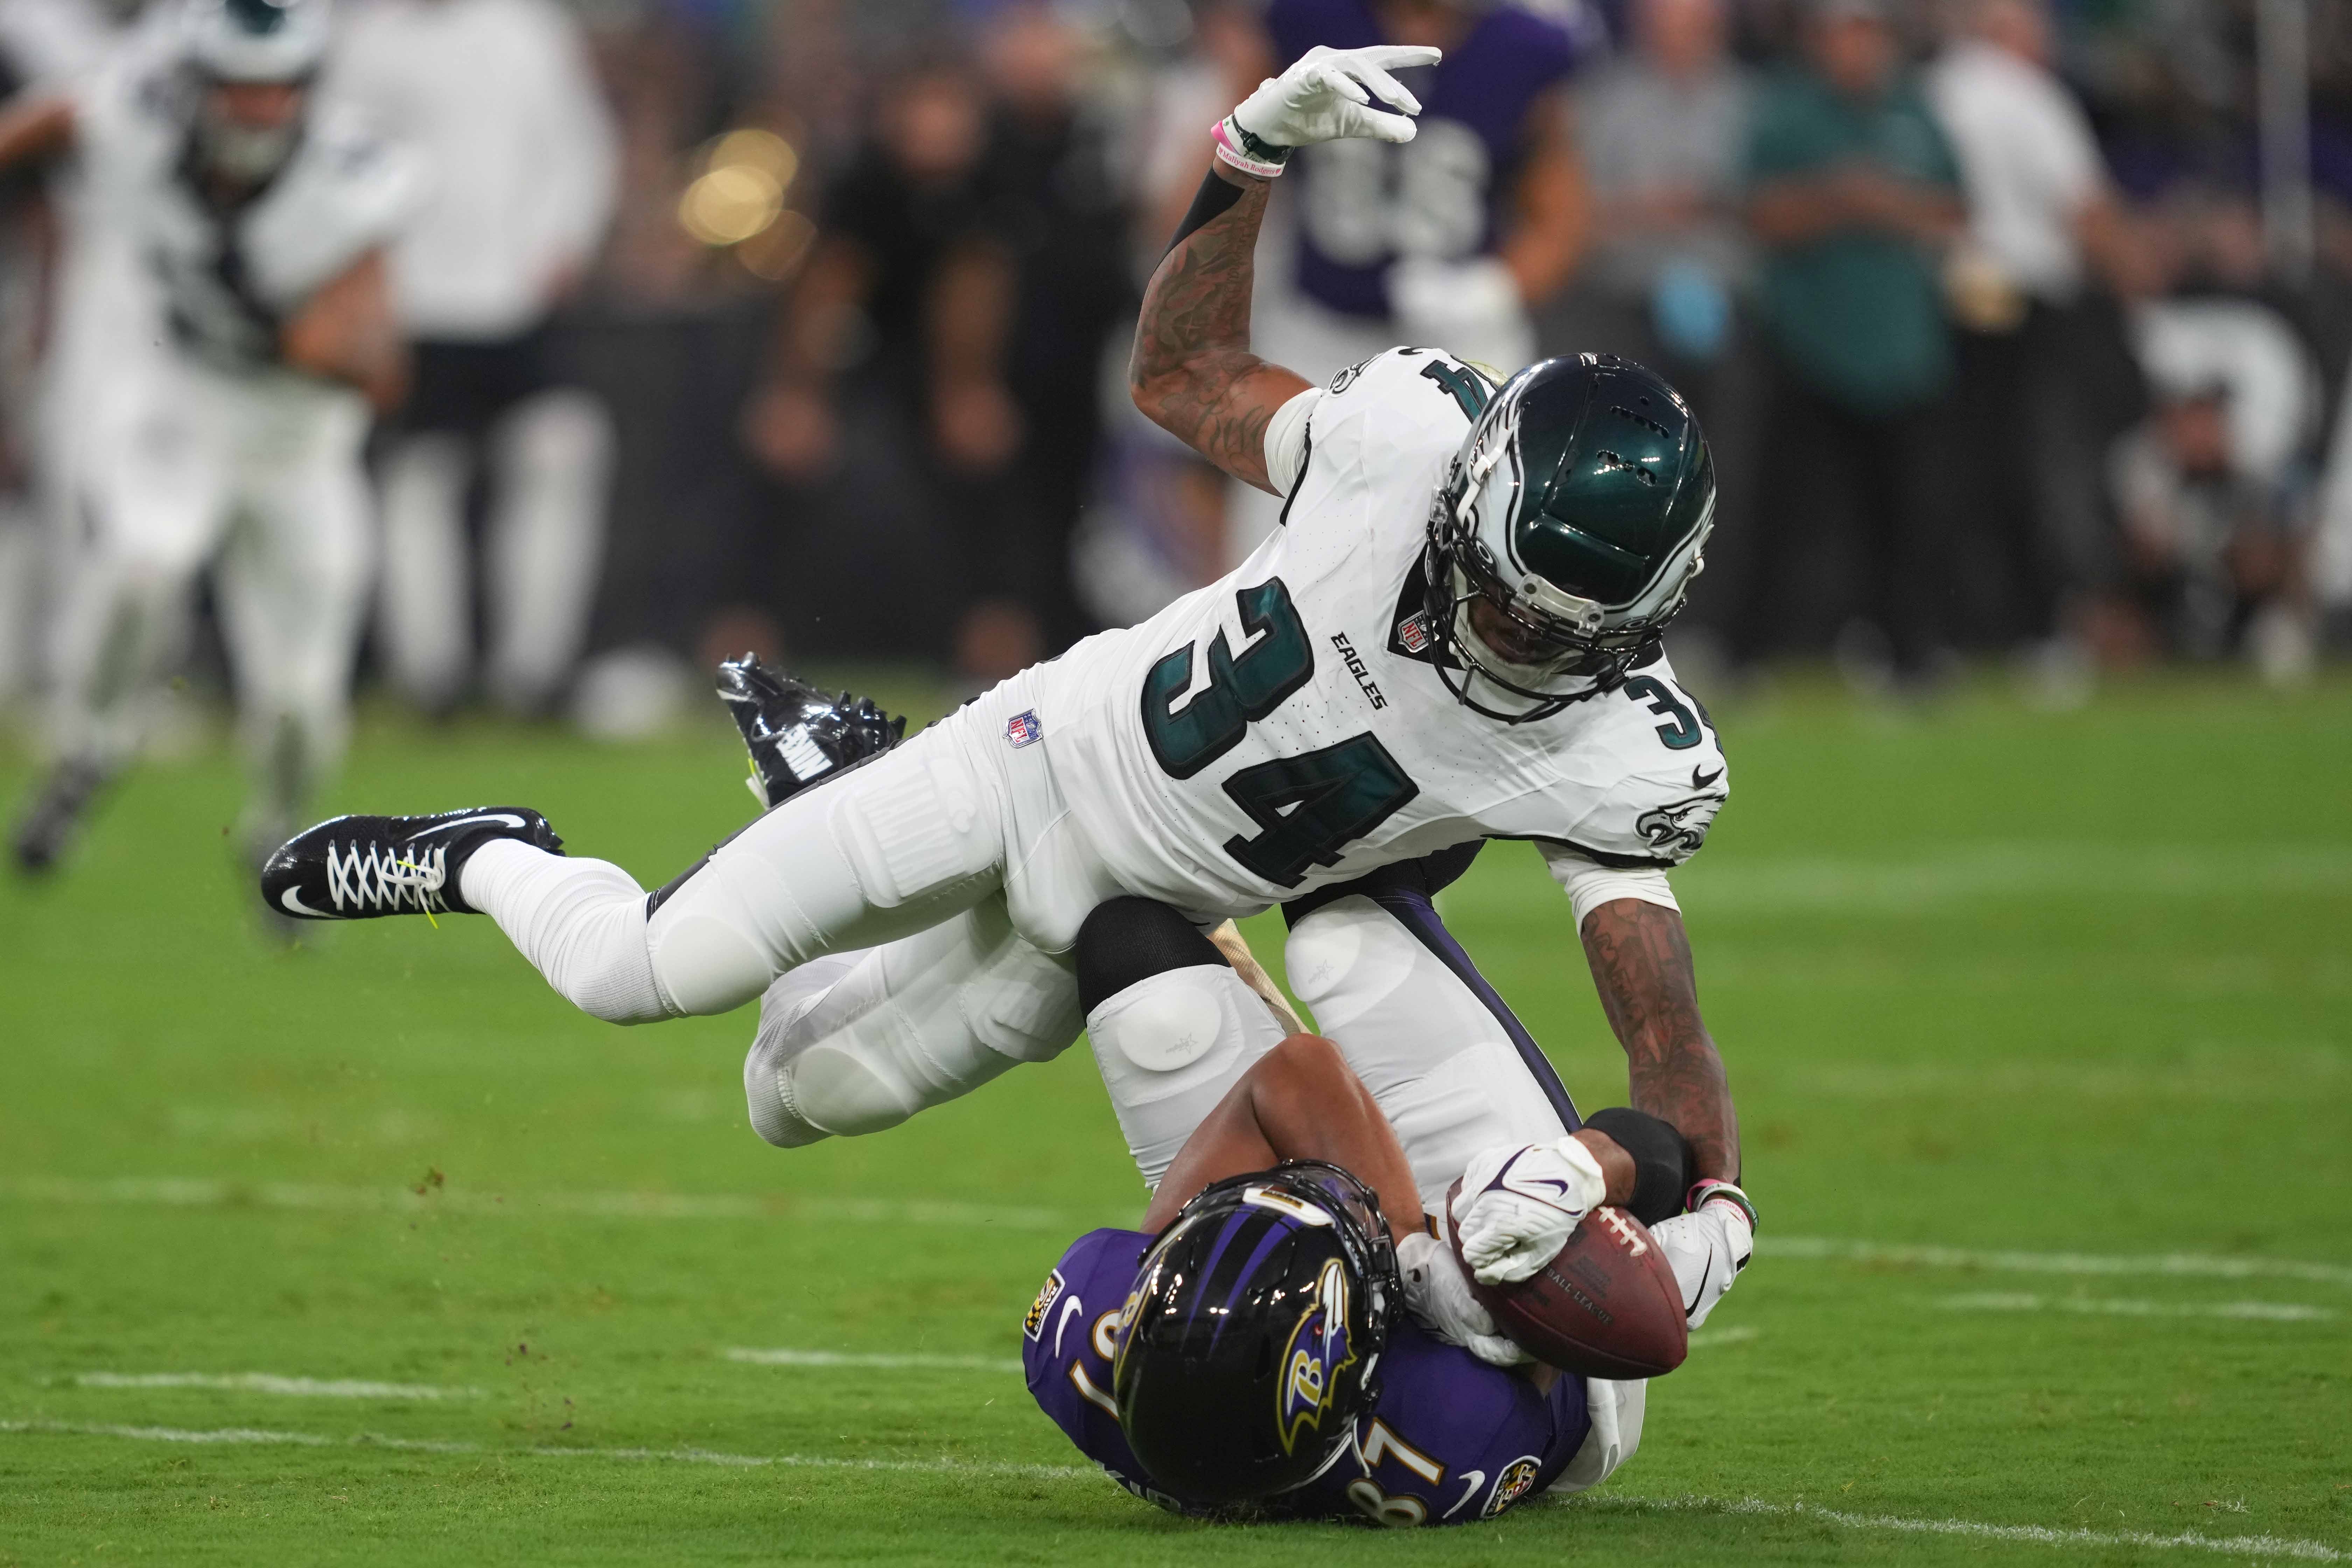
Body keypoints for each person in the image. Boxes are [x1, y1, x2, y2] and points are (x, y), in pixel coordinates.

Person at [258, 46, 1743, 1237]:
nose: (1503, 635)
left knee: (792, 1095)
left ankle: (817, 785)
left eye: (1552, 629)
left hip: (1133, 920)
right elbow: (1182, 373)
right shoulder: (1402, 440)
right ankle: (479, 851)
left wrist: (1693, 1193)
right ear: (1471, 493)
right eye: (1494, 588)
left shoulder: (1618, 751)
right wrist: (1246, 156)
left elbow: (1668, 1058)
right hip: (1034, 758)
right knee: (647, 969)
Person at [5, 0, 416, 876]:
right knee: (143, 563)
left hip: (298, 435)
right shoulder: (138, 121)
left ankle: (280, 834)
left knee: (301, 695)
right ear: (198, 87)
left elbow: (383, 367)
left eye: (275, 92)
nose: (256, 112)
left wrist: (324, 339)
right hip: (181, 398)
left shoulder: (353, 180)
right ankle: (86, 752)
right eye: (237, 89)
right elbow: (57, 117)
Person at [327, 0, 619, 719]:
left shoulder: (528, 29)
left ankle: (533, 671)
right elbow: (335, 165)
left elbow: (579, 147)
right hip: (416, 302)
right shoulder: (365, 44)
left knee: (561, 450)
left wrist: (566, 243)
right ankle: (432, 675)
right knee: (418, 476)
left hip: (520, 294)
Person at [1224, 0, 1590, 565]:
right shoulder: (1307, 20)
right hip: (1318, 330)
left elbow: (1562, 219)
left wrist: (1492, 290)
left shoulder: (1524, 47)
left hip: (1461, 345)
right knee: (1272, 536)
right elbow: (1235, 152)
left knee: (1475, 541)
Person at [1735, 0, 1963, 685]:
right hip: (1810, 345)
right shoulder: (1786, 115)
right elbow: (1758, 215)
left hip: (1904, 347)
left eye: (1865, 34)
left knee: (1907, 515)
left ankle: (1910, 654)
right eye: (1841, 35)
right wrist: (1838, 201)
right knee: (1784, 513)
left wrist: (1884, 204)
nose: (1853, 50)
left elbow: (1955, 209)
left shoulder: (1914, 111)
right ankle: (1753, 654)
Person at [1925, 0, 2146, 659]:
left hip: (1948, 302)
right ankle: (2041, 626)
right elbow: (2087, 210)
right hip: (2022, 303)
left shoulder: (1932, 89)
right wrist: (2138, 294)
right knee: (2037, 467)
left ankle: (1961, 628)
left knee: (1958, 470)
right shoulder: (2026, 94)